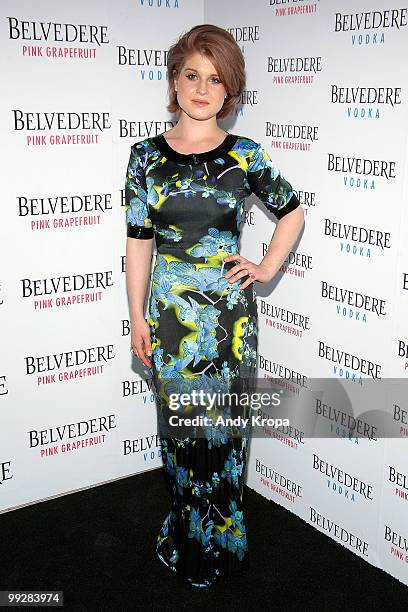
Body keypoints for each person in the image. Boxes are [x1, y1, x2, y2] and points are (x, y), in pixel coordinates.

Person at [124, 24, 305, 588]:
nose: (203, 88)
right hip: (171, 319)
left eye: (217, 79)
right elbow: (139, 243)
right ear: (174, 81)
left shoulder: (246, 155)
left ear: (231, 92)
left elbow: (292, 211)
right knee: (181, 432)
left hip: (229, 319)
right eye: (192, 75)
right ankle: (186, 534)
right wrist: (137, 319)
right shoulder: (145, 158)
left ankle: (223, 540)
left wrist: (266, 266)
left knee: (226, 433)